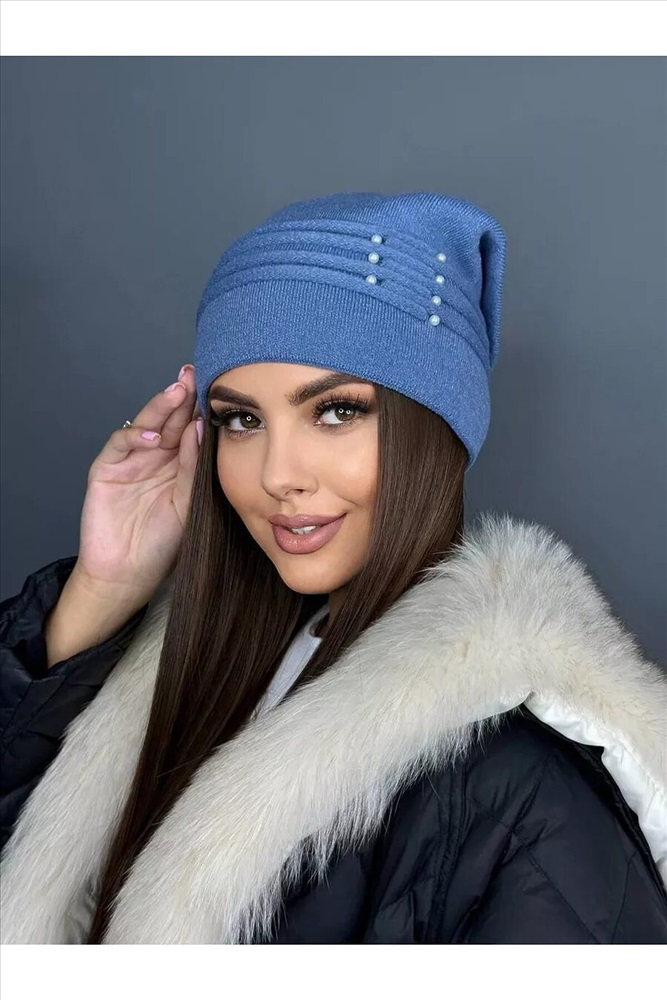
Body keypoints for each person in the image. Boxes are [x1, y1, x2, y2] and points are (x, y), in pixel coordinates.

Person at [1, 191, 666, 946]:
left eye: (336, 411)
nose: (277, 475)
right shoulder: (202, 675)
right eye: (241, 420)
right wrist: (103, 590)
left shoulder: (518, 789)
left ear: (434, 428)